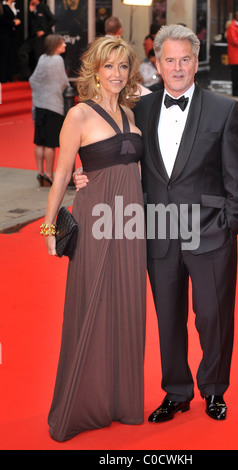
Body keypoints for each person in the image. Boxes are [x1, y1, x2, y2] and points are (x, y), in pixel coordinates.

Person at [75, 24, 238, 423]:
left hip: (210, 232)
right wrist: (85, 176)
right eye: (169, 59)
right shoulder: (140, 109)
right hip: (157, 232)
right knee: (168, 319)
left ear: (196, 60)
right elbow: (115, 157)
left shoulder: (225, 109)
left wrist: (231, 224)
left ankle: (213, 390)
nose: (176, 68)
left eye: (184, 59)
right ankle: (176, 391)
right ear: (157, 62)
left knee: (213, 317)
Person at [42, 36, 146, 442]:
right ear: (95, 70)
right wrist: (49, 227)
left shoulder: (132, 115)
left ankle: (120, 401)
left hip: (131, 225)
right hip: (96, 221)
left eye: (123, 66)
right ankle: (82, 404)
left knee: (126, 307)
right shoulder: (79, 115)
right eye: (109, 66)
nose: (117, 74)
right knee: (92, 306)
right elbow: (62, 176)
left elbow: (133, 173)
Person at [29, 34, 69, 186]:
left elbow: (33, 79)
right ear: (55, 45)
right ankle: (48, 174)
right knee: (51, 144)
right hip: (53, 105)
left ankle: (40, 172)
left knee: (39, 142)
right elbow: (63, 83)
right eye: (62, 43)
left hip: (40, 104)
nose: (65, 45)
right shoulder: (57, 60)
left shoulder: (42, 58)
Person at [18, 0, 56, 79]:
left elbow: (53, 19)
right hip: (33, 37)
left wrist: (44, 31)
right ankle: (28, 75)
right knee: (22, 51)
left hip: (41, 38)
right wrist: (31, 12)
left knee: (40, 58)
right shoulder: (31, 9)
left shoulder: (43, 7)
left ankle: (43, 78)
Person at [0, 0, 21, 83]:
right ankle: (2, 77)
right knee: (4, 56)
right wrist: (13, 23)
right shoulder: (3, 6)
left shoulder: (14, 5)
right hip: (4, 34)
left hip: (13, 34)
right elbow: (2, 19)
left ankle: (9, 76)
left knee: (11, 55)